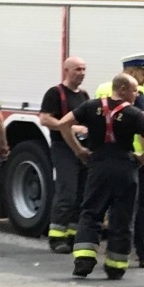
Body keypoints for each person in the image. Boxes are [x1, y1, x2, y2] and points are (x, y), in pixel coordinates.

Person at [52, 74, 144, 280]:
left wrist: (79, 151)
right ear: (121, 89)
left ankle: (84, 260)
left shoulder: (91, 107)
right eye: (133, 90)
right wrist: (142, 159)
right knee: (122, 217)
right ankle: (116, 265)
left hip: (98, 166)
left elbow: (63, 124)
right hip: (125, 169)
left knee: (91, 212)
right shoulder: (135, 113)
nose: (136, 94)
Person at [95, 54, 144, 267]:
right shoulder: (136, 93)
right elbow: (142, 129)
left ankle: (115, 251)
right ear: (130, 72)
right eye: (143, 73)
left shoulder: (103, 89)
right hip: (135, 159)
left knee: (112, 206)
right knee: (143, 207)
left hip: (107, 158)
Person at [39, 57, 91, 252]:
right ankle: (56, 237)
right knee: (67, 192)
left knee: (81, 193)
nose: (82, 73)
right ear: (66, 70)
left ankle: (72, 235)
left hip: (83, 148)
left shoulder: (84, 96)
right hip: (63, 148)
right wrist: (70, 127)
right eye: (77, 69)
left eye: (84, 69)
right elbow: (45, 119)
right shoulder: (55, 93)